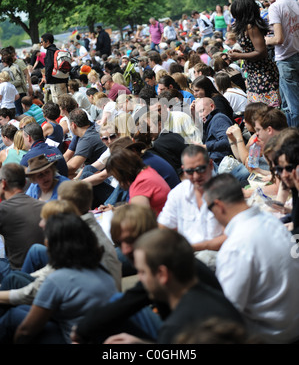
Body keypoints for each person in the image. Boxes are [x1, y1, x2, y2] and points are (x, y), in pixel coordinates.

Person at [103, 228, 244, 345]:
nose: (140, 279)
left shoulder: (175, 329)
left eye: (142, 272)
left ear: (162, 274)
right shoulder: (219, 299)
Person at [204, 173, 299, 344]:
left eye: (209, 209)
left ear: (218, 206)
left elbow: (226, 312)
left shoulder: (235, 247)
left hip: (272, 336)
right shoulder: (270, 221)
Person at [6, 213, 118, 344]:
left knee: (12, 315)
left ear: (53, 244)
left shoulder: (58, 279)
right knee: (18, 308)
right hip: (88, 333)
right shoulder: (100, 268)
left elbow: (25, 331)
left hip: (71, 339)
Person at [157, 145, 225, 269]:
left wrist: (194, 247)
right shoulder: (178, 194)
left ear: (210, 165)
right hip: (187, 256)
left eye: (200, 169)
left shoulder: (225, 191)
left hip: (220, 256)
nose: (196, 176)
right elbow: (163, 228)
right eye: (190, 171)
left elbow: (231, 236)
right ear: (183, 170)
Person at [229, 0, 280, 107]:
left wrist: (240, 56)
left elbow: (261, 51)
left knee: (265, 110)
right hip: (254, 73)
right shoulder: (246, 26)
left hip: (263, 74)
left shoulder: (251, 27)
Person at [264, 0, 299, 127]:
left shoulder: (275, 7)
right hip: (296, 54)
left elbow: (279, 39)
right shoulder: (294, 2)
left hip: (285, 60)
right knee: (287, 104)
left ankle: (293, 142)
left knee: (293, 107)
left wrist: (266, 40)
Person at [0, 163, 44, 281]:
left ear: (3, 183)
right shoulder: (43, 206)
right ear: (25, 183)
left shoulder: (3, 209)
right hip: (44, 271)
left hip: (18, 273)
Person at [106, 147, 170, 217]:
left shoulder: (141, 183)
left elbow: (138, 218)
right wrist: (114, 209)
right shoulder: (147, 171)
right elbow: (135, 205)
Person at [66, 108, 106, 178]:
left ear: (73, 125)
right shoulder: (92, 126)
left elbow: (73, 166)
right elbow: (68, 155)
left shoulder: (87, 139)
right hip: (102, 170)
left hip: (104, 175)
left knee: (65, 175)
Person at [196, 97, 232, 166]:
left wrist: (206, 146)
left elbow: (227, 141)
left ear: (212, 107)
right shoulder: (210, 122)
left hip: (221, 164)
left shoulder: (218, 119)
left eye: (201, 111)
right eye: (198, 113)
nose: (200, 115)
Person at [40, 33, 68, 104]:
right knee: (65, 101)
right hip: (63, 79)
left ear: (47, 42)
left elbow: (49, 67)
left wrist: (47, 79)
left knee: (58, 103)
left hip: (55, 81)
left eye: (42, 42)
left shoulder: (50, 51)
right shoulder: (57, 50)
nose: (41, 44)